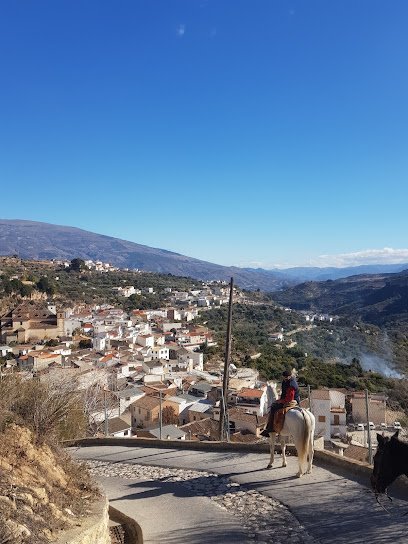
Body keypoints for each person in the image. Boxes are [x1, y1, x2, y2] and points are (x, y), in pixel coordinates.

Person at [261, 370, 300, 437]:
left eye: (286, 377)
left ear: (290, 376)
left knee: (273, 407)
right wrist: (280, 399)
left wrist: (281, 401)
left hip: (292, 401)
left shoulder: (291, 384)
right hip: (287, 399)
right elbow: (284, 393)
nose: (285, 378)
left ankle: (270, 428)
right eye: (284, 377)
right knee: (275, 404)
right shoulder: (286, 381)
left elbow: (289, 398)